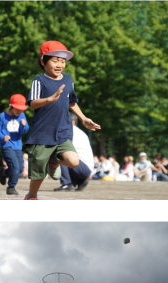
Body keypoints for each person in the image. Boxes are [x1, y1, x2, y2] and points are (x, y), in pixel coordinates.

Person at [21, 40, 100, 200]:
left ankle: (54, 162)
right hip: (42, 133)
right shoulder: (39, 80)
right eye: (55, 60)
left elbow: (72, 102)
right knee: (38, 173)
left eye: (63, 61)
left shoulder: (68, 79)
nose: (60, 65)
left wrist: (84, 119)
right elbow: (32, 104)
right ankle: (32, 196)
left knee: (73, 161)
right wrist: (49, 99)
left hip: (63, 130)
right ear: (43, 61)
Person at [0, 94, 30, 195]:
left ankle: (3, 172)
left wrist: (24, 125)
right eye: (17, 109)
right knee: (14, 165)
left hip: (17, 146)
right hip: (6, 145)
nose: (19, 111)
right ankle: (11, 187)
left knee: (19, 169)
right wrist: (3, 138)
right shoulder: (2, 116)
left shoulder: (22, 116)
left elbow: (24, 131)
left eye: (21, 109)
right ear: (11, 106)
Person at [55, 114, 94, 191]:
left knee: (59, 155)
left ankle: (67, 184)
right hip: (84, 167)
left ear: (72, 122)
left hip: (83, 166)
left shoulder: (72, 132)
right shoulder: (77, 131)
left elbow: (67, 150)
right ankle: (80, 180)